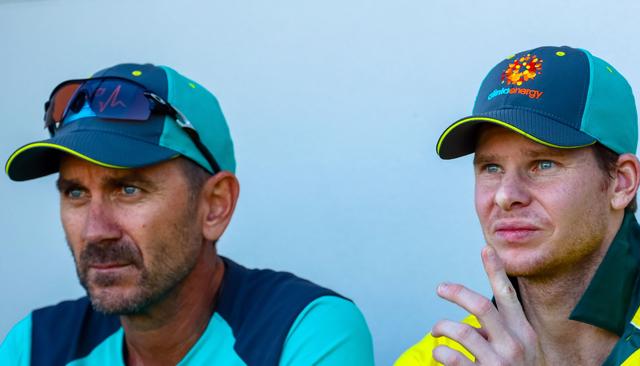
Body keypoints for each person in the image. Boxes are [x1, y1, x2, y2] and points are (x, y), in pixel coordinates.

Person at [0, 63, 374, 365]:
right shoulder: (34, 347)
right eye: (76, 193)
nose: (96, 231)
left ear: (215, 206)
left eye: (129, 189)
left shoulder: (300, 331)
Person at [396, 46, 640, 365]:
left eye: (543, 164)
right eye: (491, 167)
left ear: (621, 182)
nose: (505, 195)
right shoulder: (441, 358)